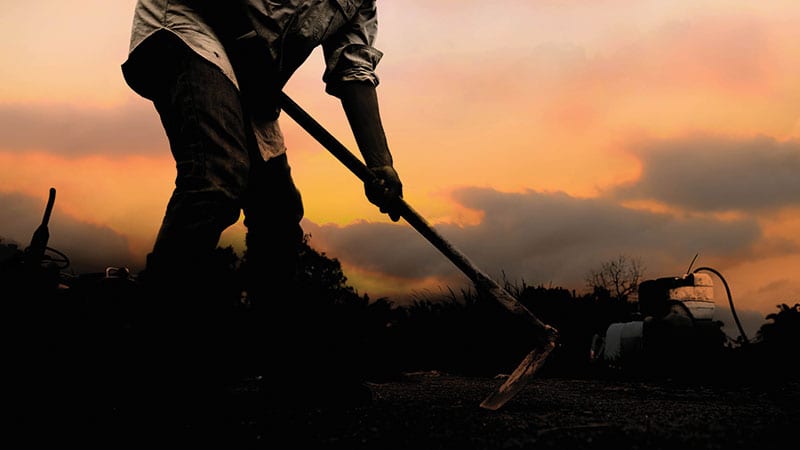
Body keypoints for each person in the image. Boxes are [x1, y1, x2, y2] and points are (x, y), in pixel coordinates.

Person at [120, 0, 403, 418]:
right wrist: (247, 44)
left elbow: (352, 69)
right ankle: (155, 364)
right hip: (187, 27)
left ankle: (286, 373)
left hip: (252, 75)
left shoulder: (359, 4)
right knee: (217, 176)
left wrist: (380, 163)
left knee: (278, 212)